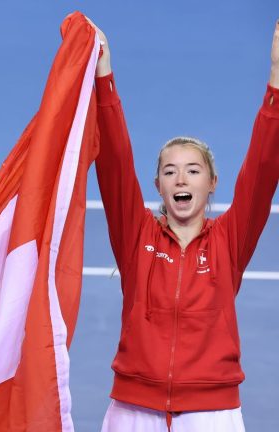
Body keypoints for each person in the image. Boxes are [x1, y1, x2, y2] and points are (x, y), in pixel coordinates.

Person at [90, 18, 279, 431]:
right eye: (170, 171)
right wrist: (103, 75)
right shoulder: (135, 234)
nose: (181, 179)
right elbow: (114, 163)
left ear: (212, 184)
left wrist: (277, 84)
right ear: (157, 185)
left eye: (193, 171)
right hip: (132, 409)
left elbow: (263, 171)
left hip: (212, 413)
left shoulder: (230, 239)